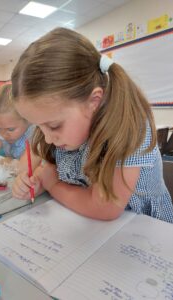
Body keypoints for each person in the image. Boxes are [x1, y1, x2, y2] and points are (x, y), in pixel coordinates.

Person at [11, 27, 173, 223]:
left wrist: (52, 185)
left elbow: (105, 208)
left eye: (53, 126)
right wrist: (34, 183)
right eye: (39, 127)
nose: (47, 138)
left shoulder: (129, 128)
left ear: (94, 102)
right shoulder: (66, 135)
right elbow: (47, 171)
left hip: (148, 231)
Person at [0, 84, 39, 173]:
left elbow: (23, 169)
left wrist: (9, 160)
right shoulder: (3, 131)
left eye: (10, 129)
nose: (3, 134)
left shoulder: (35, 135)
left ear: (28, 119)